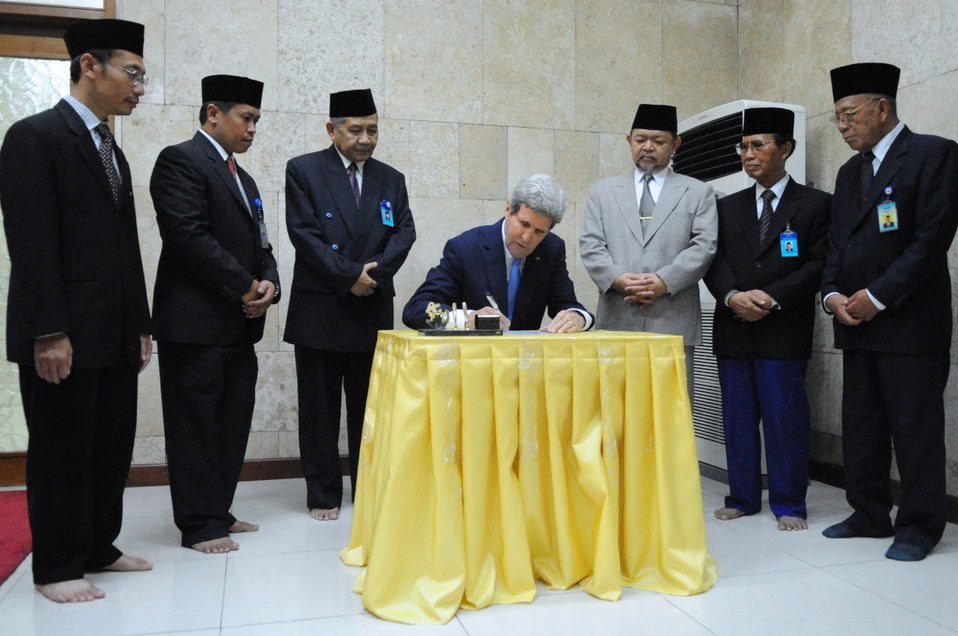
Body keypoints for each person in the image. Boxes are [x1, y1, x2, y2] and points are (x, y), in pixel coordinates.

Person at [0, 19, 152, 603]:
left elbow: (126, 250)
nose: (139, 87)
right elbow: (32, 245)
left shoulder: (113, 151)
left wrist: (140, 326)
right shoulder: (34, 137)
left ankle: (97, 546)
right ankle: (57, 566)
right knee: (61, 449)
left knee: (110, 446)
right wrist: (48, 332)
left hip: (113, 332)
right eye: (131, 73)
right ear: (90, 65)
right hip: (61, 332)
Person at [820, 63, 958, 561]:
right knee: (862, 426)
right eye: (837, 118)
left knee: (914, 428)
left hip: (908, 324)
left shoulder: (933, 155)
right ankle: (869, 512)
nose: (842, 126)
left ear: (882, 108)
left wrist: (877, 296)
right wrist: (833, 295)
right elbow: (836, 243)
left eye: (850, 114)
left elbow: (930, 240)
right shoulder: (848, 172)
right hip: (855, 323)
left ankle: (920, 526)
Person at [150, 74, 280, 554]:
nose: (252, 130)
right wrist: (245, 285)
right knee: (195, 426)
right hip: (194, 324)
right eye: (246, 118)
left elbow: (261, 242)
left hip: (238, 326)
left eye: (256, 121)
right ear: (212, 114)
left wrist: (269, 282)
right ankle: (199, 525)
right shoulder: (180, 161)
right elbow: (189, 237)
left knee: (230, 422)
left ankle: (219, 511)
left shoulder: (242, 178)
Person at [285, 88, 415, 521]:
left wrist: (371, 278)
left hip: (371, 305)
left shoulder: (390, 178)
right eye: (356, 130)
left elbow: (404, 233)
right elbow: (303, 234)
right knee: (320, 409)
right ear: (332, 129)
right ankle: (323, 494)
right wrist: (348, 276)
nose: (365, 139)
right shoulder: (303, 170)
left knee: (369, 406)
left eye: (372, 130)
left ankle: (368, 487)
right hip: (322, 305)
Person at [704, 107, 831, 531]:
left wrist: (773, 297)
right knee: (738, 419)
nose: (748, 154)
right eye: (744, 146)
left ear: (786, 149)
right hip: (734, 327)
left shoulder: (816, 205)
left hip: (783, 329)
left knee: (784, 418)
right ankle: (741, 496)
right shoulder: (727, 207)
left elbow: (818, 264)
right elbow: (713, 261)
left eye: (759, 145)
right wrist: (732, 295)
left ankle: (789, 502)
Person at [579, 103, 717, 395]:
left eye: (659, 140)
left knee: (672, 415)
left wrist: (663, 282)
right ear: (629, 141)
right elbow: (591, 246)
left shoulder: (698, 192)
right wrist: (619, 280)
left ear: (676, 144)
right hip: (618, 317)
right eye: (641, 139)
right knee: (615, 412)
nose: (648, 147)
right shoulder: (602, 192)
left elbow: (704, 246)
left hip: (672, 319)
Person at [403, 173, 593, 332]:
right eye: (524, 224)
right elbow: (416, 310)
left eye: (539, 232)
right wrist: (468, 320)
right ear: (508, 210)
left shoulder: (552, 249)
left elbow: (567, 304)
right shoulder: (466, 247)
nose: (527, 238)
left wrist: (578, 318)